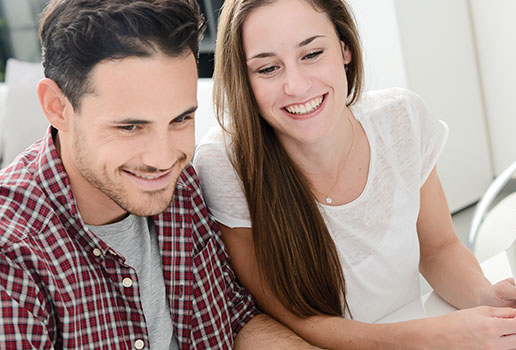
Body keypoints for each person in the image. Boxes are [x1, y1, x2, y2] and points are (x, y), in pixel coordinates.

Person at [193, 0, 516, 348]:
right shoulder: (227, 164)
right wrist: (430, 337)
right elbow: (296, 319)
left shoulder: (402, 119)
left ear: (345, 47)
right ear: (245, 79)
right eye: (268, 68)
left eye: (312, 54)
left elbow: (439, 248)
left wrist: (483, 295)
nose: (296, 85)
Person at [0, 0, 320, 349]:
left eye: (181, 119)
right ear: (57, 107)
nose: (164, 158)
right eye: (131, 126)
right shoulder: (11, 255)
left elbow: (234, 316)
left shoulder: (181, 186)